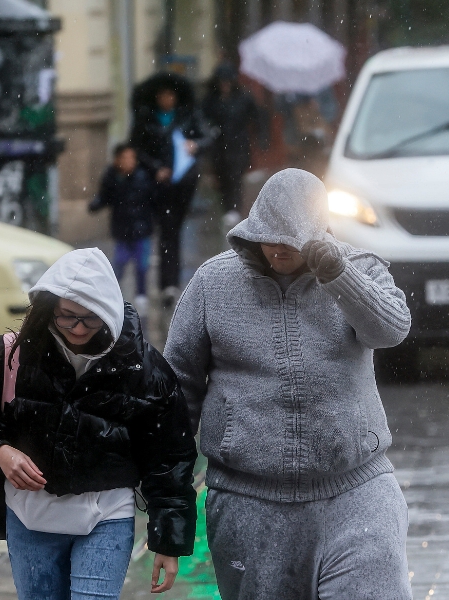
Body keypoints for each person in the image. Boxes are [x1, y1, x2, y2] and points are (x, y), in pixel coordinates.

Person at [164, 168, 413, 599]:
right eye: (269, 235)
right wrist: (169, 494)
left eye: (291, 238)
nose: (279, 247)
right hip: (249, 503)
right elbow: (176, 391)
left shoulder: (359, 268)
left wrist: (339, 275)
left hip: (356, 491)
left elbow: (391, 330)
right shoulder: (212, 283)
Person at [0, 248, 197, 600]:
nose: (77, 328)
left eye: (89, 319)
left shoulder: (143, 369)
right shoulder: (15, 354)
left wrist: (169, 542)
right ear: (50, 307)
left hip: (107, 517)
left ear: (107, 312)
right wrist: (0, 452)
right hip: (29, 517)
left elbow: (169, 457)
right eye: (66, 317)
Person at [130, 72, 210, 307]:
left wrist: (195, 145)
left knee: (172, 230)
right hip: (158, 185)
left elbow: (206, 137)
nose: (167, 99)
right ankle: (167, 284)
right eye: (163, 95)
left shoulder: (188, 116)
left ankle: (170, 284)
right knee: (166, 231)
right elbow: (137, 149)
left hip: (183, 183)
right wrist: (156, 168)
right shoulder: (146, 120)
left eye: (170, 95)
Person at [89, 143, 156, 317]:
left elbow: (153, 199)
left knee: (141, 265)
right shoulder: (111, 177)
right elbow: (105, 196)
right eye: (125, 158)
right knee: (119, 264)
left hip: (141, 230)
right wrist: (96, 204)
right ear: (117, 160)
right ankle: (112, 297)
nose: (129, 162)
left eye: (131, 158)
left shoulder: (142, 177)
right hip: (122, 230)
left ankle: (141, 295)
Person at [201, 62, 268, 226]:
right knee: (223, 177)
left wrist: (261, 137)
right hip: (218, 145)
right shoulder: (211, 100)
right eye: (221, 82)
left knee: (235, 176)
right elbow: (203, 119)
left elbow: (257, 118)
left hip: (238, 144)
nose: (224, 85)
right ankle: (228, 208)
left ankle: (234, 209)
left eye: (227, 81)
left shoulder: (243, 98)